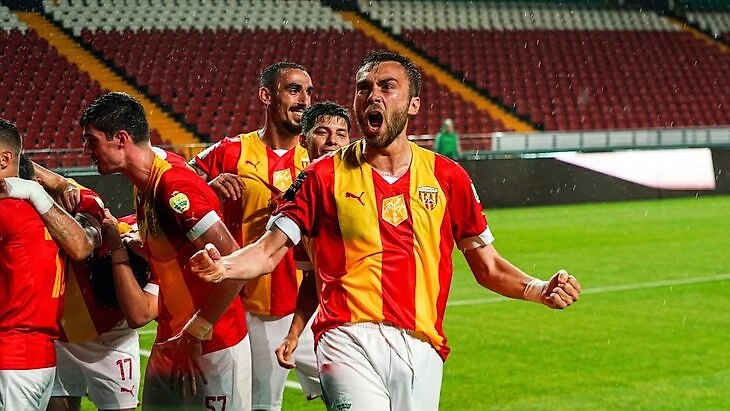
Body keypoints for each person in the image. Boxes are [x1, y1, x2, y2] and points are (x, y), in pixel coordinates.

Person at [190, 51, 582, 411]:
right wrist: (223, 267)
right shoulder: (320, 176)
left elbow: (488, 267)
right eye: (364, 88)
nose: (373, 96)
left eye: (386, 87)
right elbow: (268, 250)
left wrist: (538, 288)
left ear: (413, 104)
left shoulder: (448, 178)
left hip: (423, 344)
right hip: (346, 338)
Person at [80, 92, 251, 410]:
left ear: (121, 139)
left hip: (209, 344)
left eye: (92, 141)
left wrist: (196, 333)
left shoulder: (174, 187)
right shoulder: (147, 180)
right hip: (171, 337)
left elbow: (236, 266)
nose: (86, 150)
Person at [188, 62, 320, 409]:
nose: (304, 100)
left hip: (310, 304)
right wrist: (208, 186)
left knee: (353, 389)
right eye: (294, 90)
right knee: (263, 403)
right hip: (253, 306)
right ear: (266, 96)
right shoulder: (231, 150)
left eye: (309, 92)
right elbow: (178, 183)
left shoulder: (316, 159)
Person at [25, 163, 154, 411]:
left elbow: (81, 246)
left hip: (111, 337)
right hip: (61, 334)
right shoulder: (15, 213)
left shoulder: (81, 200)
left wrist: (54, 186)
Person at [0, 120, 92, 410]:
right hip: (39, 359)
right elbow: (83, 244)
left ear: (4, 158)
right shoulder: (46, 211)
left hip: (10, 358)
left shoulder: (6, 210)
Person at [272, 102, 351, 371]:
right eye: (323, 132)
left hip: (390, 325)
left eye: (341, 134)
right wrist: (294, 333)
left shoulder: (367, 184)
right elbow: (311, 277)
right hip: (338, 328)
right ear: (303, 140)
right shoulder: (302, 197)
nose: (333, 141)